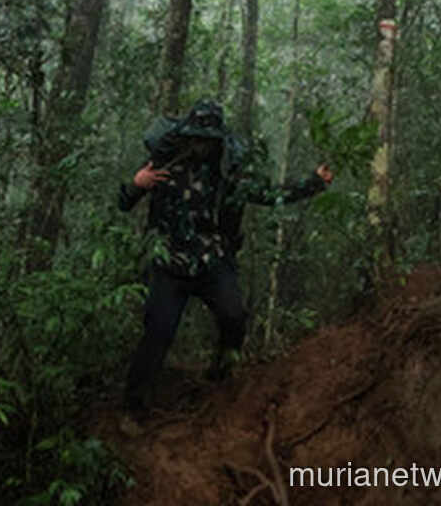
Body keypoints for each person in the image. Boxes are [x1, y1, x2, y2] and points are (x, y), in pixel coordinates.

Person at [117, 99, 332, 432]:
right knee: (157, 332)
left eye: (208, 138)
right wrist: (136, 184)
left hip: (212, 262)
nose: (201, 144)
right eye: (196, 137)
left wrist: (314, 182)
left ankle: (221, 373)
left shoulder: (228, 173)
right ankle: (134, 408)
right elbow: (124, 202)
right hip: (169, 263)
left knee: (234, 316)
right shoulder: (164, 161)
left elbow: (269, 193)